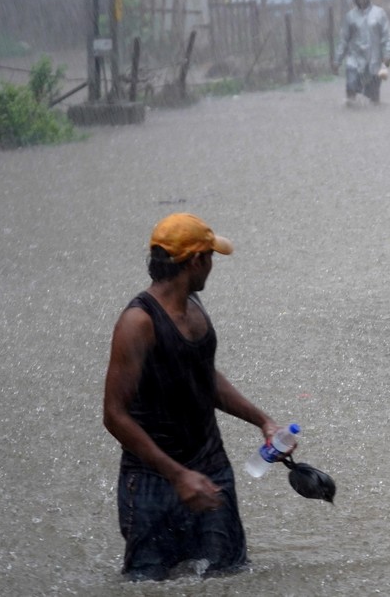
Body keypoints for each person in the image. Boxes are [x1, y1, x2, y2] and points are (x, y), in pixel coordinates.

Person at [103, 213, 282, 581]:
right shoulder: (138, 323)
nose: (213, 266)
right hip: (153, 479)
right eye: (212, 258)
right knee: (146, 584)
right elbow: (114, 414)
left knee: (230, 576)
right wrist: (178, 475)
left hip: (210, 466)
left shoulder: (194, 305)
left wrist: (263, 421)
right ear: (197, 261)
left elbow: (204, 378)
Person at [333, 0, 390, 105]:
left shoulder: (379, 14)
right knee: (351, 84)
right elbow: (343, 40)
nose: (361, 1)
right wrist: (337, 60)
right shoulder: (350, 17)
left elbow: (386, 36)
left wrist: (387, 54)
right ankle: (351, 108)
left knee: (374, 96)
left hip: (374, 59)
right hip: (354, 58)